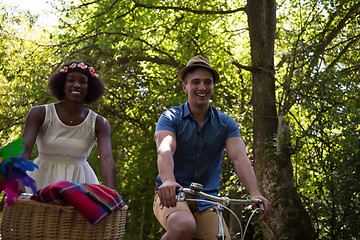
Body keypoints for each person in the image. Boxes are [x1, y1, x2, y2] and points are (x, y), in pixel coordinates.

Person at [153, 55, 271, 240]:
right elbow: (165, 149)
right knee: (183, 225)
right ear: (185, 87)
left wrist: (254, 193)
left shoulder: (226, 123)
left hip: (206, 201)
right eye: (195, 82)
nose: (202, 87)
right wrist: (168, 180)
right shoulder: (170, 117)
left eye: (207, 82)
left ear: (213, 87)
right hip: (173, 195)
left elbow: (239, 158)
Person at [20, 61, 116, 192]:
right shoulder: (40, 113)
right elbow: (24, 149)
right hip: (41, 178)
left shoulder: (100, 123)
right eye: (71, 80)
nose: (76, 85)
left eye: (83, 81)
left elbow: (106, 159)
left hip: (80, 183)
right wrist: (16, 181)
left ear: (90, 87)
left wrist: (112, 192)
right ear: (62, 85)